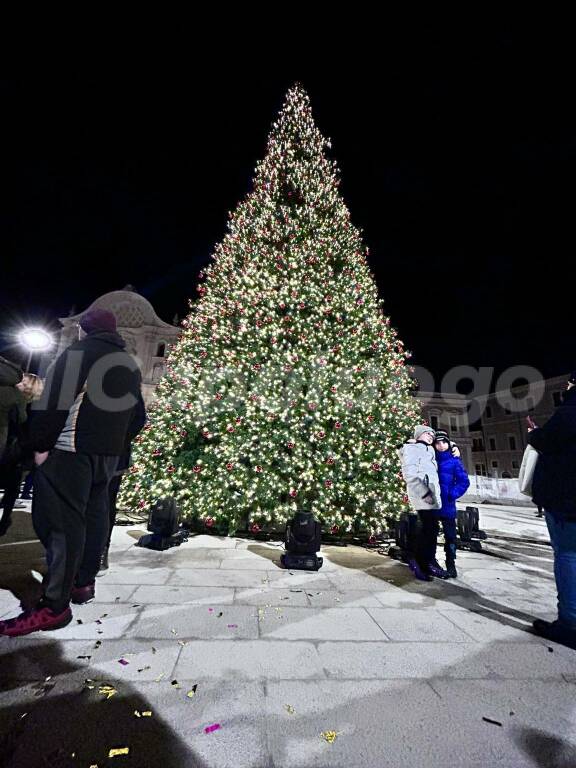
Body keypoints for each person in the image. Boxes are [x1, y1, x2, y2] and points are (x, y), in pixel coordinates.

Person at [0, 309, 144, 637]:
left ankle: (54, 606)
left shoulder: (79, 353)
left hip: (69, 450)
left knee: (61, 525)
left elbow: (54, 402)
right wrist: (115, 444)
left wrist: (39, 444)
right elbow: (138, 418)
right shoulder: (129, 365)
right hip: (106, 457)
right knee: (95, 518)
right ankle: (83, 584)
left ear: (84, 330)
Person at [528, 371, 576, 650]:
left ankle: (569, 623)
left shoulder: (570, 411)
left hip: (567, 500)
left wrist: (535, 433)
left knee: (568, 556)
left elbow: (544, 441)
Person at [98, 391, 146, 573]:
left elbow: (139, 419)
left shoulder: (127, 383)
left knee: (106, 504)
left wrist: (120, 439)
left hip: (113, 455)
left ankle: (101, 550)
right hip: (88, 452)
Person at [0, 374, 44, 536]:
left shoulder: (13, 398)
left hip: (11, 449)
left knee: (13, 483)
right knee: (13, 484)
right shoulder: (33, 407)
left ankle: (6, 516)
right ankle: (6, 516)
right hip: (18, 452)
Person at [400, 424, 442, 581]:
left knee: (431, 529)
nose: (431, 435)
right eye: (427, 433)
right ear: (418, 435)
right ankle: (418, 561)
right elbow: (410, 474)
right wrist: (424, 493)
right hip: (423, 495)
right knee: (428, 528)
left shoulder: (429, 450)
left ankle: (427, 562)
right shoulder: (412, 449)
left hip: (432, 495)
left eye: (432, 434)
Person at [432, 429, 470, 578]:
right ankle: (431, 560)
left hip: (447, 505)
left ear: (448, 443)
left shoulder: (454, 461)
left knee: (450, 536)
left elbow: (464, 481)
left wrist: (452, 494)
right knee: (431, 534)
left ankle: (450, 563)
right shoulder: (432, 459)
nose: (441, 446)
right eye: (438, 443)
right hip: (433, 504)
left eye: (444, 443)